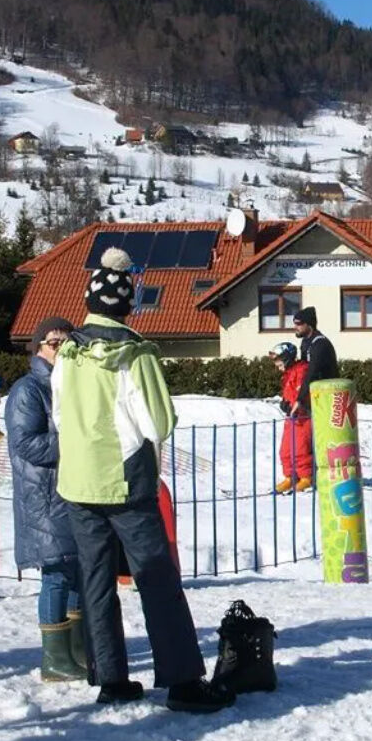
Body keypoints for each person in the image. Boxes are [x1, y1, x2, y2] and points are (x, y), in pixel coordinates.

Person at [52, 246, 234, 714]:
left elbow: (59, 416)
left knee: (94, 579)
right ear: (128, 305)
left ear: (90, 302)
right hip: (125, 481)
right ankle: (182, 680)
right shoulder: (133, 354)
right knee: (155, 577)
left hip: (76, 482)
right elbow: (159, 421)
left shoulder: (67, 354)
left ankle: (110, 676)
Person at [7, 316, 86, 682]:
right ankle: (54, 658)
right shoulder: (28, 389)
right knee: (56, 573)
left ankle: (77, 650)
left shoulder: (70, 384)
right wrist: (77, 442)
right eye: (54, 343)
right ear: (39, 347)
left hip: (70, 491)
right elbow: (26, 443)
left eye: (68, 343)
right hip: (44, 496)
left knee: (77, 571)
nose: (61, 349)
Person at [272, 341, 313, 493]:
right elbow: (289, 392)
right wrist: (285, 402)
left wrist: (296, 404)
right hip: (291, 417)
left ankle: (306, 477)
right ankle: (290, 476)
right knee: (286, 450)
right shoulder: (288, 374)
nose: (276, 365)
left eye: (278, 360)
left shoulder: (301, 370)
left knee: (300, 449)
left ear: (287, 358)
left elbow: (302, 391)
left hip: (302, 417)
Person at [292, 306, 340, 419]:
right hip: (315, 395)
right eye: (294, 323)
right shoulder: (306, 342)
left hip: (328, 398)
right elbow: (302, 369)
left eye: (298, 324)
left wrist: (299, 400)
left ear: (309, 324)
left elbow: (311, 373)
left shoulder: (320, 344)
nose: (295, 327)